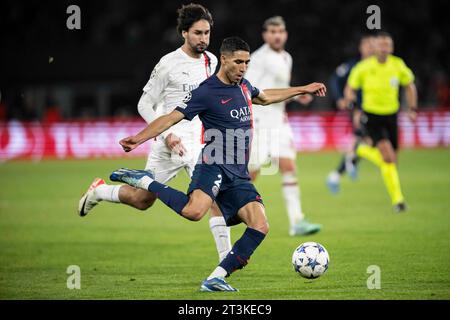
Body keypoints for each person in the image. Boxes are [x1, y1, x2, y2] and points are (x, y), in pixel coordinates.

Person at [110, 36, 326, 292]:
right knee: (194, 212)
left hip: (238, 174)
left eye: (247, 62)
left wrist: (303, 88)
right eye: (238, 62)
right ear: (223, 59)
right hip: (212, 164)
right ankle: (145, 181)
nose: (243, 67)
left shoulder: (243, 86)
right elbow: (170, 118)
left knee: (260, 224)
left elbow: (267, 96)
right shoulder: (206, 91)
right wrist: (139, 138)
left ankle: (215, 278)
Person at [77, 4, 232, 262]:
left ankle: (225, 266)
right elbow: (144, 105)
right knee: (142, 200)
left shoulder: (212, 61)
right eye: (198, 33)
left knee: (212, 199)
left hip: (198, 142)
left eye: (207, 33)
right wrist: (166, 136)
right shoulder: (168, 64)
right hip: (167, 140)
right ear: (184, 33)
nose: (204, 38)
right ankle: (100, 192)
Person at [244, 16, 321, 236]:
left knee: (288, 167)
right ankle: (237, 210)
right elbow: (249, 89)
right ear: (265, 35)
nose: (277, 35)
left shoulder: (286, 58)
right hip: (259, 122)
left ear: (285, 34)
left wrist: (297, 97)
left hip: (279, 121)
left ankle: (296, 221)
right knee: (251, 174)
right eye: (272, 31)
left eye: (280, 31)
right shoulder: (258, 59)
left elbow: (279, 89)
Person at [344, 32, 417, 212]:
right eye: (381, 45)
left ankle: (360, 150)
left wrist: (412, 108)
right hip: (372, 117)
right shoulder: (363, 67)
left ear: (391, 48)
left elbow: (409, 85)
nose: (384, 48)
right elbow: (350, 89)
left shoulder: (397, 65)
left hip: (392, 116)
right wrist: (353, 107)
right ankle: (398, 201)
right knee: (388, 157)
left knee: (392, 161)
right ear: (375, 47)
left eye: (387, 45)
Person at [326, 35, 375, 194]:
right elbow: (334, 79)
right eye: (367, 45)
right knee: (363, 136)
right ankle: (350, 161)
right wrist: (340, 98)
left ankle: (341, 169)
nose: (371, 48)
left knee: (366, 141)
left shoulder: (378, 66)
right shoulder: (353, 65)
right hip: (358, 108)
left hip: (376, 110)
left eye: (373, 45)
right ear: (361, 47)